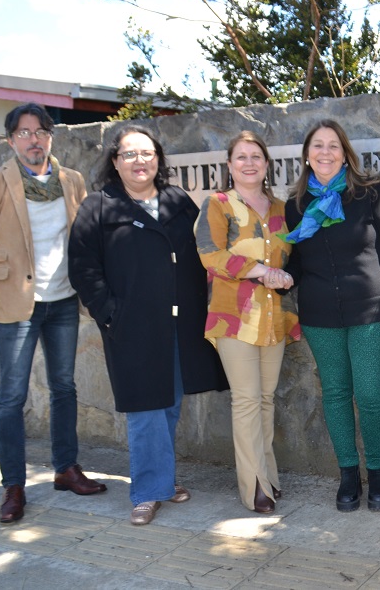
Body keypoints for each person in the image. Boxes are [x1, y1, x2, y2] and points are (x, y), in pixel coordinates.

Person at [68, 125, 227, 526]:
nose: (140, 161)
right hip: (132, 327)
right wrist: (110, 313)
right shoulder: (99, 207)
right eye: (130, 154)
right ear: (115, 162)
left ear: (158, 158)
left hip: (180, 324)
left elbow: (203, 251)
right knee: (145, 408)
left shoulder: (177, 201)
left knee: (169, 404)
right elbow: (83, 269)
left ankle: (162, 480)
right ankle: (147, 491)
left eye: (147, 153)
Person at [0, 103, 106, 524]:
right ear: (11, 141)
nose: (34, 139)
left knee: (64, 387)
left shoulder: (71, 181)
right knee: (12, 397)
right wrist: (5, 276)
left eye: (41, 131)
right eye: (24, 133)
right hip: (17, 305)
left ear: (51, 137)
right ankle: (13, 485)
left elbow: (82, 234)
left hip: (62, 300)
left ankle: (65, 469)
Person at [283, 119, 380, 512]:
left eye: (333, 146)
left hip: (372, 309)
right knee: (336, 394)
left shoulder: (369, 193)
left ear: (345, 153)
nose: (325, 152)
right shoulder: (296, 205)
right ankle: (348, 475)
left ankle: (378, 474)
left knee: (370, 394)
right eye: (318, 146)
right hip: (320, 314)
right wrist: (279, 277)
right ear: (307, 155)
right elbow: (297, 264)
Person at [195, 131, 301, 515]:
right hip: (233, 318)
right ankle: (253, 487)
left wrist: (284, 275)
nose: (249, 163)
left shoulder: (280, 208)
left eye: (256, 156)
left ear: (266, 163)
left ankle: (268, 477)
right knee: (245, 401)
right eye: (241, 157)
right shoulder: (218, 204)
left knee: (266, 400)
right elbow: (210, 255)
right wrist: (259, 270)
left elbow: (291, 255)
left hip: (273, 317)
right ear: (229, 165)